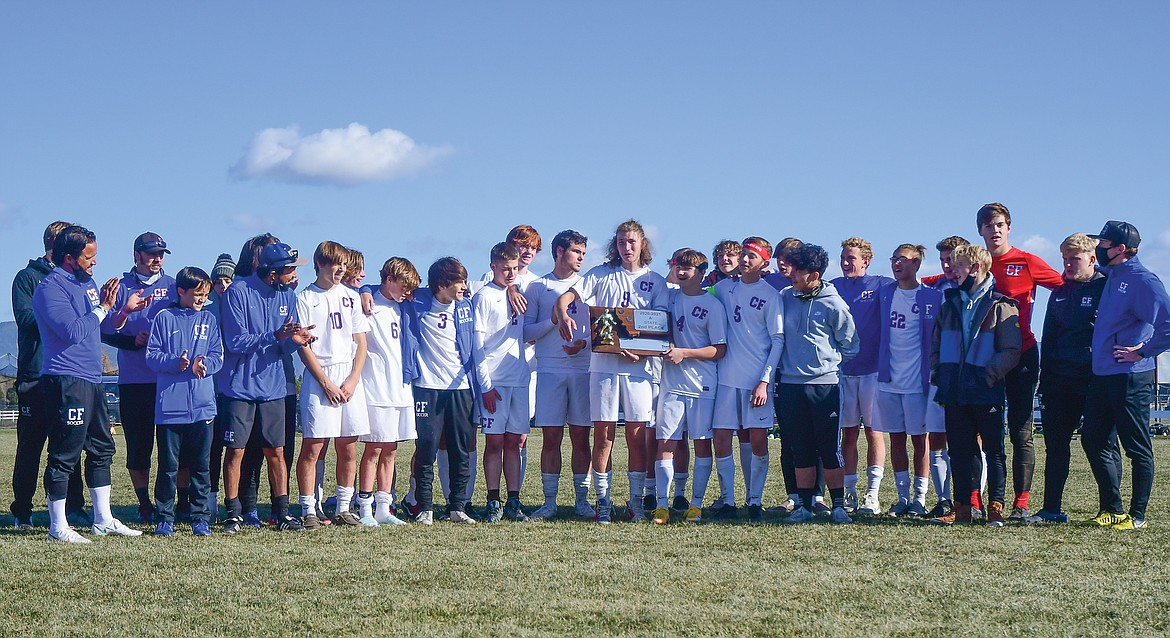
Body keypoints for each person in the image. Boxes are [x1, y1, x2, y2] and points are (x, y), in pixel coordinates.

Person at [33, 224, 146, 542]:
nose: (94, 262)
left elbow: (102, 325)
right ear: (69, 258)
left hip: (93, 378)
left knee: (102, 449)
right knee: (64, 452)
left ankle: (103, 519)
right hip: (66, 379)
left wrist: (122, 310)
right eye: (88, 256)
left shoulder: (89, 283)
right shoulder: (49, 289)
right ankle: (58, 525)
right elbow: (72, 331)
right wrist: (104, 308)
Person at [553, 219, 669, 523]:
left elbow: (660, 325)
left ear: (643, 243)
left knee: (637, 436)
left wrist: (641, 350)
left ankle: (635, 502)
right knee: (603, 436)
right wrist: (564, 310)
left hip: (640, 370)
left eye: (632, 242)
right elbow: (570, 295)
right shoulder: (601, 274)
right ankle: (603, 502)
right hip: (604, 367)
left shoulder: (655, 281)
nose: (626, 247)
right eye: (621, 242)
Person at [218, 241, 312, 533]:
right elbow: (235, 342)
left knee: (277, 451)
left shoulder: (289, 297)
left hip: (273, 388)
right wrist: (274, 336)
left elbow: (281, 346)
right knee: (236, 452)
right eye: (289, 270)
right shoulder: (237, 292)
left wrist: (294, 342)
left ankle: (281, 513)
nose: (294, 274)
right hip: (239, 388)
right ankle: (233, 512)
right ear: (272, 272)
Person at [1082, 220, 1169, 530]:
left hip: (1131, 376)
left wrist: (1142, 351)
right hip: (1103, 374)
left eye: (1103, 245)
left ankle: (1138, 516)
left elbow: (1168, 326)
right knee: (1093, 438)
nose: (1098, 249)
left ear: (1120, 249)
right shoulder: (1112, 274)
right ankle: (1112, 508)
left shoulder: (1144, 281)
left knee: (1136, 447)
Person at [977, 203, 1062, 520]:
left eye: (999, 224)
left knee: (1021, 431)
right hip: (984, 358)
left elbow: (1066, 285)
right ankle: (977, 502)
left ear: (1009, 227)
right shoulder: (976, 263)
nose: (994, 230)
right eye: (988, 225)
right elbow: (943, 276)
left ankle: (1020, 503)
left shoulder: (1026, 261)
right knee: (983, 430)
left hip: (1023, 354)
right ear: (981, 231)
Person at [929, 243, 1021, 526]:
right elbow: (936, 344)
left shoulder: (1001, 304)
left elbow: (1011, 350)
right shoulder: (950, 303)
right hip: (953, 390)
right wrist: (940, 373)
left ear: (977, 268)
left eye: (959, 266)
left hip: (985, 389)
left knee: (993, 450)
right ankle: (963, 508)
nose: (952, 270)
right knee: (959, 451)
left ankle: (996, 506)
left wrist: (987, 376)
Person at [10, 220, 87, 530]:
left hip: (67, 376)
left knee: (70, 446)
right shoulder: (27, 278)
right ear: (57, 247)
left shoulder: (77, 282)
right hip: (35, 377)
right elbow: (26, 318)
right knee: (29, 448)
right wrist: (59, 318)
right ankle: (23, 511)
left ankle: (75, 508)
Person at [1024, 233, 1106, 524]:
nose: (1069, 265)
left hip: (1093, 380)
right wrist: (1044, 379)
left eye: (1075, 259)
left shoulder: (1105, 287)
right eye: (1065, 259)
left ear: (1092, 259)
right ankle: (1051, 509)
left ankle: (1110, 508)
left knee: (1098, 444)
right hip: (1059, 381)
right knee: (1056, 445)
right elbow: (1050, 335)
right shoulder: (1059, 291)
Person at [775, 244, 858, 525]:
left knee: (829, 448)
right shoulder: (784, 296)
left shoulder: (834, 303)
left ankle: (837, 506)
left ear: (815, 274)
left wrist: (826, 366)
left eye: (799, 271)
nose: (793, 275)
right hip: (789, 385)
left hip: (825, 386)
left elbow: (850, 344)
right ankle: (804, 506)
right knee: (801, 448)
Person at [100, 232, 178, 524]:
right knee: (139, 446)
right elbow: (106, 330)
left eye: (161, 253)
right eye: (151, 253)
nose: (157, 258)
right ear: (136, 256)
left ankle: (171, 503)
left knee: (171, 447)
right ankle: (144, 503)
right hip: (134, 380)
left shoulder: (173, 286)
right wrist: (132, 335)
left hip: (169, 380)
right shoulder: (120, 287)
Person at [295, 241, 372, 529]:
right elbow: (304, 348)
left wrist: (352, 379)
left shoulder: (351, 297)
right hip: (320, 378)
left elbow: (360, 342)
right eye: (334, 264)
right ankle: (308, 508)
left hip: (349, 378)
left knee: (348, 446)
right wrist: (325, 383)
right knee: (313, 447)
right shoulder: (305, 298)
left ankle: (343, 507)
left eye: (343, 264)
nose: (340, 269)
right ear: (320, 264)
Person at [710, 237, 784, 523]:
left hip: (755, 381)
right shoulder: (724, 288)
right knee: (722, 439)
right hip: (726, 379)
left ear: (764, 263)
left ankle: (754, 501)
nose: (743, 260)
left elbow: (777, 341)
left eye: (751, 256)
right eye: (743, 254)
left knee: (757, 441)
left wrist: (765, 381)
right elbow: (692, 292)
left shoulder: (770, 295)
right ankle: (728, 500)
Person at [523, 230, 595, 520]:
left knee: (581, 437)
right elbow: (526, 333)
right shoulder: (539, 287)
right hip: (550, 369)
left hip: (582, 369)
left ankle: (582, 500)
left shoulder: (589, 284)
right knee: (551, 437)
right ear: (559, 251)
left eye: (583, 254)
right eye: (576, 252)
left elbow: (600, 327)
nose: (580, 258)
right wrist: (553, 321)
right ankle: (549, 501)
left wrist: (584, 344)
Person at [146, 266, 222, 537]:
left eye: (205, 295)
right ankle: (164, 517)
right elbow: (151, 356)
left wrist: (206, 364)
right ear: (181, 291)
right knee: (168, 468)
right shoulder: (163, 318)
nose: (202, 299)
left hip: (203, 409)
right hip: (170, 411)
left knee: (201, 467)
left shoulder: (210, 320)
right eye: (198, 294)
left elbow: (218, 355)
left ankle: (199, 516)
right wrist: (175, 363)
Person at [652, 249, 726, 524]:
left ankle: (696, 505)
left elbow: (719, 349)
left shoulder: (713, 305)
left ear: (702, 272)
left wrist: (685, 352)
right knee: (666, 442)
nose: (682, 272)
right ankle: (662, 504)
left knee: (701, 444)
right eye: (677, 266)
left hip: (702, 385)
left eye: (688, 268)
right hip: (672, 383)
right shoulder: (669, 298)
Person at [408, 257, 483, 525]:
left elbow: (493, 284)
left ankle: (457, 507)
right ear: (442, 284)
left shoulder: (467, 305)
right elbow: (377, 287)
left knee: (460, 449)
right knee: (426, 447)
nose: (464, 286)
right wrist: (368, 292)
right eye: (459, 281)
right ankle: (425, 506)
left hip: (460, 387)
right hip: (427, 387)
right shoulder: (417, 301)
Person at [874, 244, 942, 517]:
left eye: (903, 259)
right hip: (889, 380)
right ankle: (901, 497)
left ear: (916, 264)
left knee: (919, 440)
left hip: (918, 382)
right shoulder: (885, 293)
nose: (896, 264)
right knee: (896, 440)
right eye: (893, 259)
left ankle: (920, 498)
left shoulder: (931, 297)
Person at [356, 257, 421, 527]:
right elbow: (353, 290)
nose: (407, 293)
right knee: (373, 448)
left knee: (391, 449)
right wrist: (365, 290)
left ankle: (385, 507)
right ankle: (364, 507)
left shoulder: (404, 307)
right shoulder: (368, 304)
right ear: (389, 279)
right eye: (403, 286)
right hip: (376, 387)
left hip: (401, 387)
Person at [830, 237, 892, 515]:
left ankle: (873, 494)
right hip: (843, 372)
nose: (846, 262)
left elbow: (912, 284)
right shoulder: (833, 286)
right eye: (843, 257)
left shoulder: (881, 284)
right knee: (848, 434)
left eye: (851, 258)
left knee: (874, 431)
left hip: (872, 372)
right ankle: (850, 492)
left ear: (866, 261)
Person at [473, 243, 533, 522]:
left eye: (515, 268)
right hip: (494, 382)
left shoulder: (518, 292)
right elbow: (477, 345)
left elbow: (522, 334)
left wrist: (553, 323)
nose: (511, 274)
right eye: (505, 269)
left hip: (519, 380)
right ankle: (493, 500)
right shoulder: (484, 296)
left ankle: (513, 500)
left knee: (515, 443)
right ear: (493, 267)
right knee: (494, 442)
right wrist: (485, 385)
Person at [205, 252, 235, 520]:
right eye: (218, 281)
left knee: (236, 450)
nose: (223, 285)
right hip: (211, 390)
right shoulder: (207, 308)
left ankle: (235, 503)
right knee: (212, 449)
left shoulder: (239, 304)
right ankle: (209, 501)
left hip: (235, 389)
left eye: (228, 280)